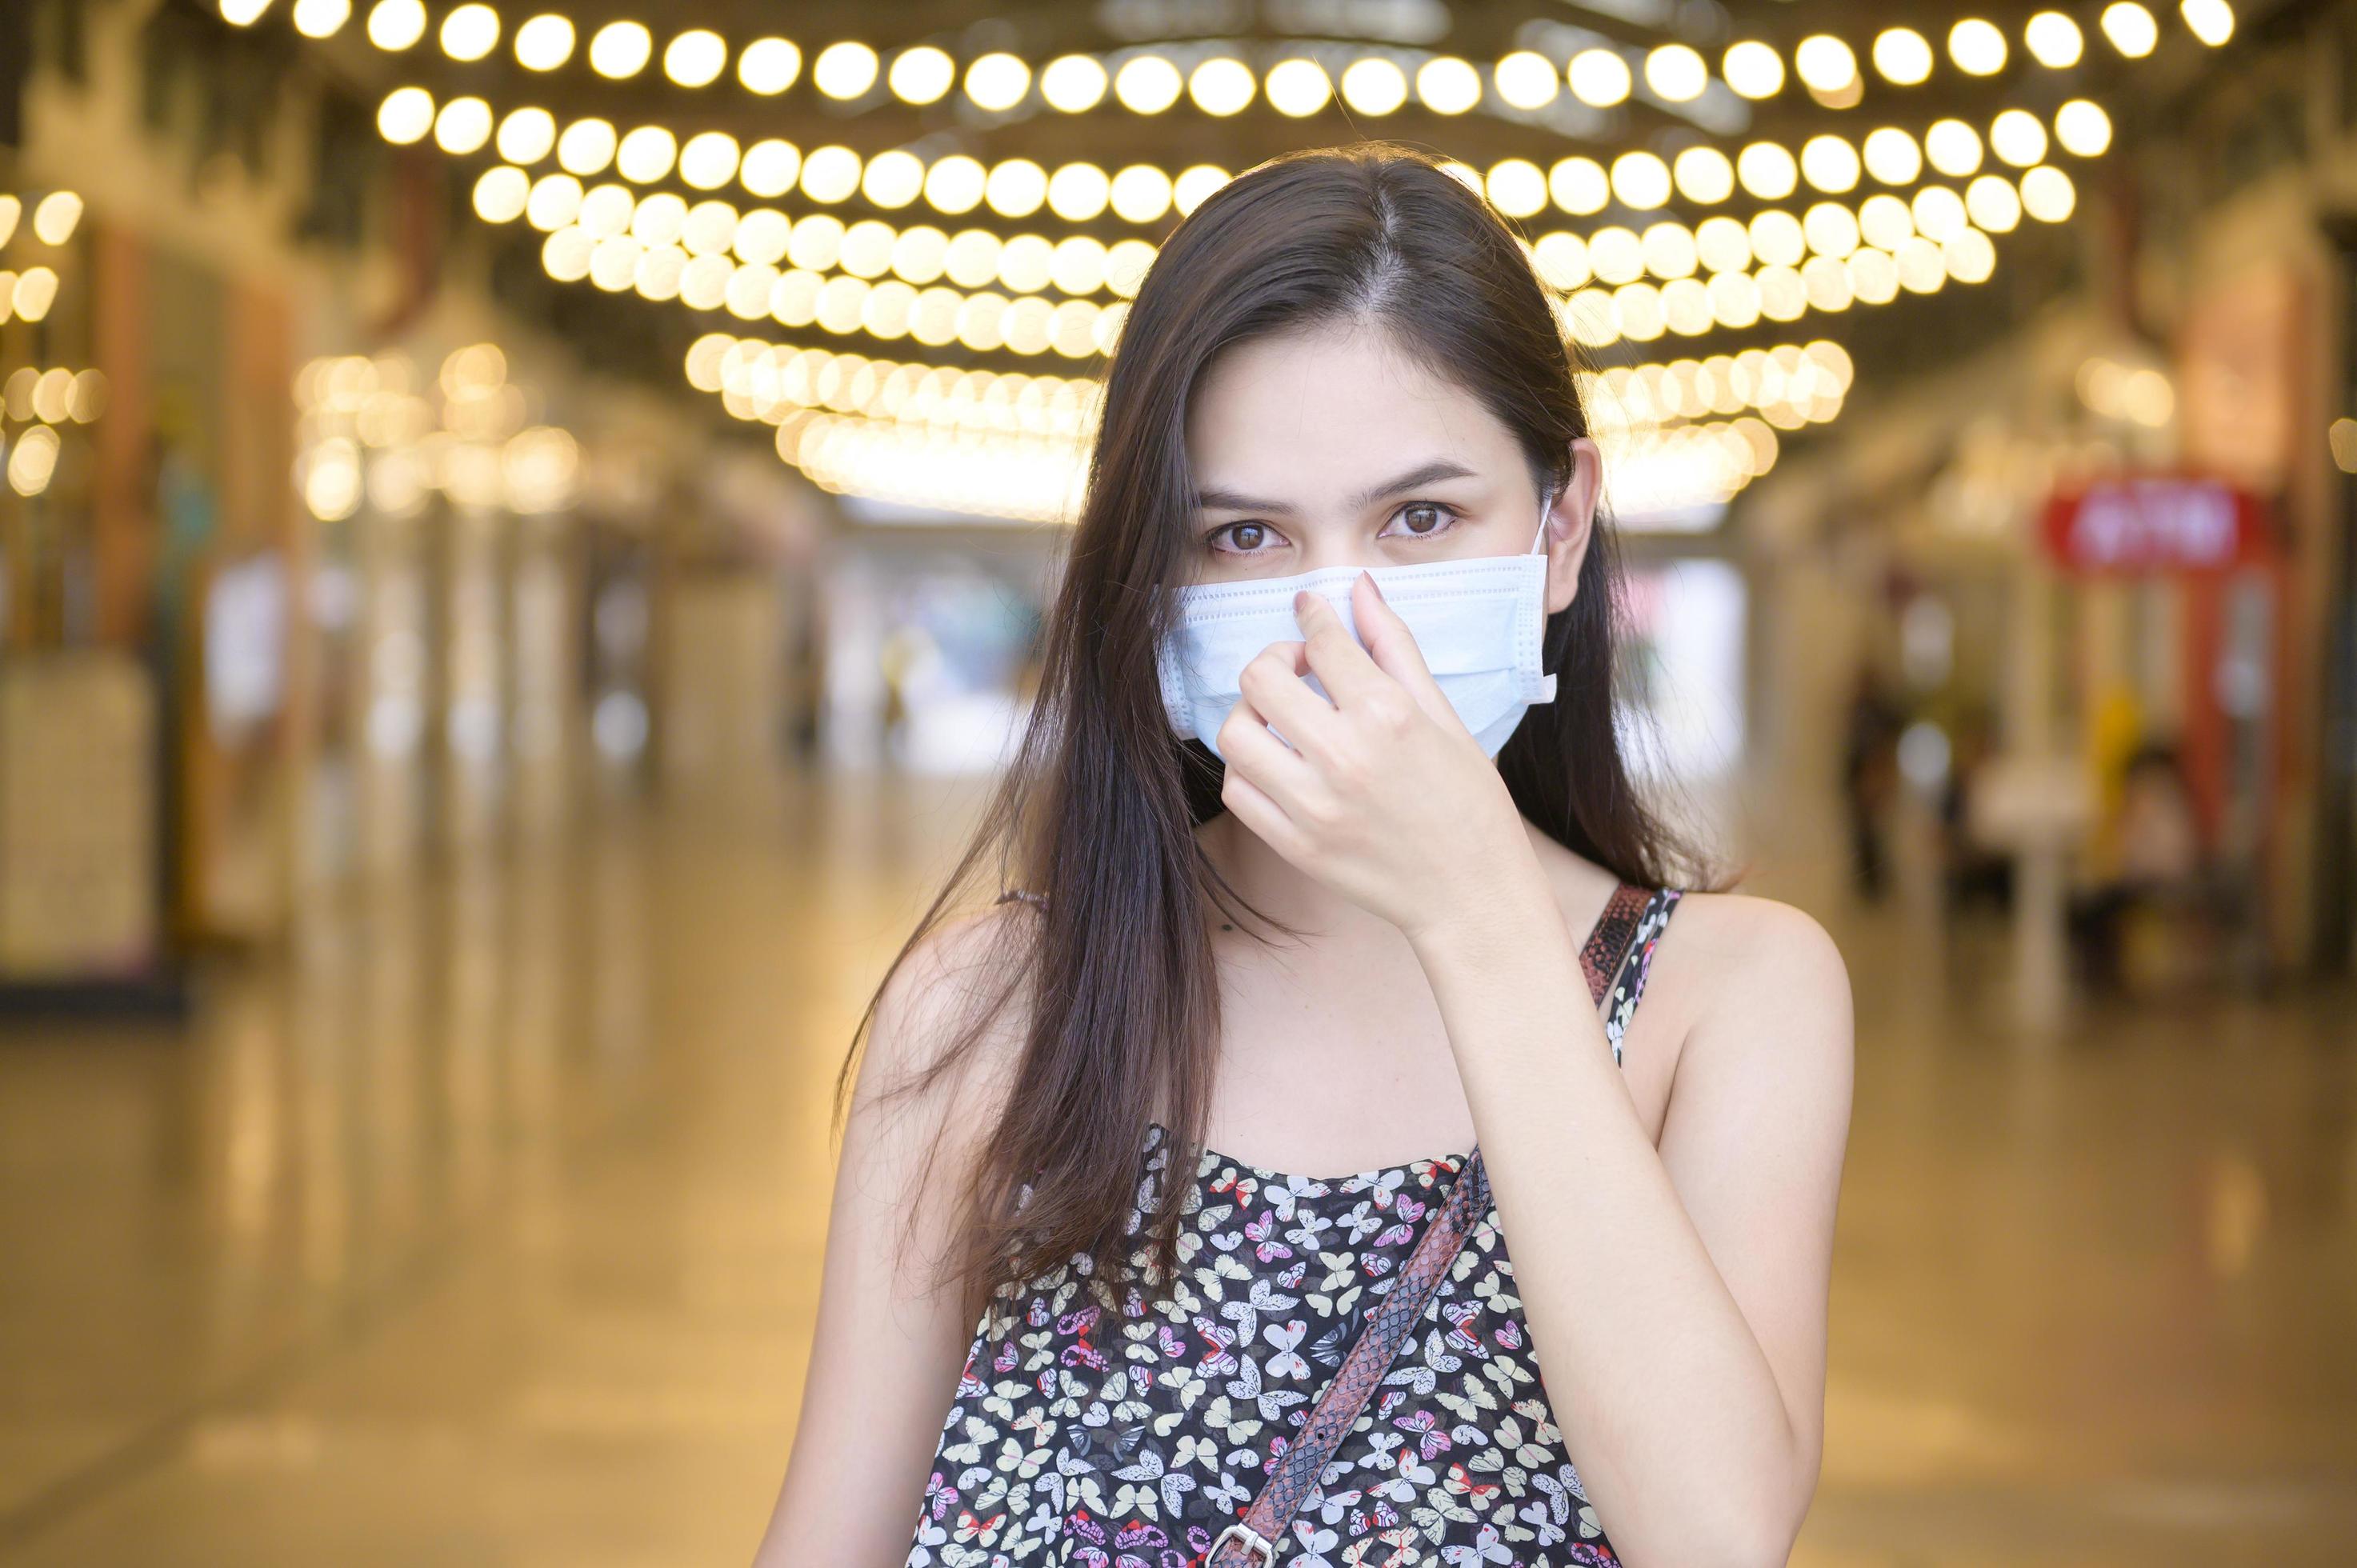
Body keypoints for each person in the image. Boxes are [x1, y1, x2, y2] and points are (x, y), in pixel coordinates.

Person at [754, 143, 1854, 1568]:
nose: (1335, 616)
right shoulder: (996, 1009)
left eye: (1420, 518)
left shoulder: (1736, 999)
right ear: (1154, 581)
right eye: (1244, 535)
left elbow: (1714, 1538)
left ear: (1561, 528)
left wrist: (1477, 921)